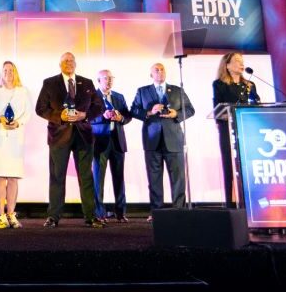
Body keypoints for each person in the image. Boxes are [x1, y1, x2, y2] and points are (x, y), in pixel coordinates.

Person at [35, 52, 105, 227]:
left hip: (83, 136)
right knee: (57, 177)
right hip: (59, 137)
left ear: (76, 63)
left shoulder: (87, 83)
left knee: (86, 177)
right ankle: (53, 217)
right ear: (60, 64)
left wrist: (85, 115)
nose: (69, 63)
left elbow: (99, 106)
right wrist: (60, 116)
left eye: (72, 60)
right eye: (65, 60)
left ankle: (91, 216)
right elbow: (40, 108)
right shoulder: (49, 83)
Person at [131, 62, 196, 220]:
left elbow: (190, 109)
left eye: (162, 69)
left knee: (178, 178)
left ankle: (179, 211)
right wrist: (149, 111)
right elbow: (133, 110)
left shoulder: (177, 90)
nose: (159, 72)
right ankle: (157, 213)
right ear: (151, 74)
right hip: (152, 140)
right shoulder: (142, 91)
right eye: (156, 70)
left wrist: (176, 114)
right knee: (154, 179)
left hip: (174, 140)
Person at [0, 61, 31, 229]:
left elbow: (28, 113)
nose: (8, 73)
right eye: (5, 70)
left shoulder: (23, 91)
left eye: (11, 70)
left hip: (16, 137)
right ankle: (0, 215)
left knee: (13, 178)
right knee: (0, 177)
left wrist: (18, 122)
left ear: (15, 72)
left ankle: (11, 213)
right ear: (1, 73)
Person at [211, 51, 259, 207]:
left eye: (242, 60)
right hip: (228, 129)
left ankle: (251, 202)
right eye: (237, 61)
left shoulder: (250, 85)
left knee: (248, 165)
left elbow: (256, 106)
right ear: (227, 65)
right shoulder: (219, 84)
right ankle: (230, 204)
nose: (241, 63)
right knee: (230, 165)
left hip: (248, 130)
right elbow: (218, 109)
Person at [90, 69, 132, 222]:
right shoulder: (92, 97)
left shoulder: (119, 97)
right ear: (99, 80)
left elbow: (128, 116)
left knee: (119, 178)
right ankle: (99, 214)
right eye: (105, 78)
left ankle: (121, 213)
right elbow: (87, 118)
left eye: (111, 78)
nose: (109, 81)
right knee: (98, 179)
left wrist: (121, 118)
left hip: (117, 141)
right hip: (100, 142)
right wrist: (103, 116)